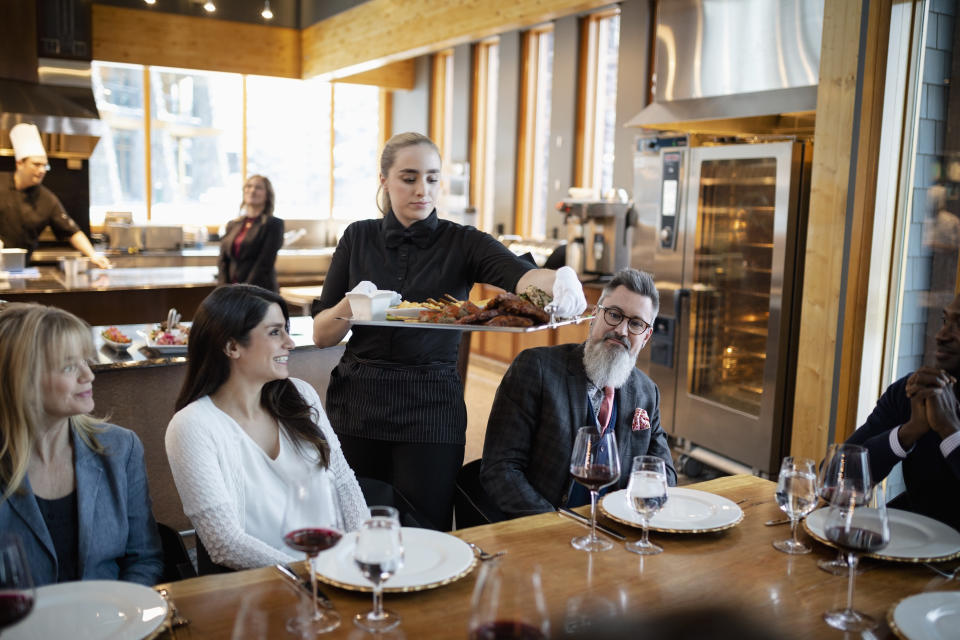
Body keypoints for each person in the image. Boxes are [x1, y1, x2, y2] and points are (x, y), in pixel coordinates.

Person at [311, 132, 584, 531]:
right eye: (409, 177)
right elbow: (322, 336)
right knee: (355, 523)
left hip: (432, 405)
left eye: (433, 178)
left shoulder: (463, 242)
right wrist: (352, 304)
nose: (423, 190)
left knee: (427, 527)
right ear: (384, 180)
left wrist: (558, 281)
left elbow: (520, 276)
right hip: (358, 401)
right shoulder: (357, 237)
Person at [166, 284, 366, 570]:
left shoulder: (301, 395)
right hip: (262, 587)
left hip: (336, 569)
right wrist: (310, 577)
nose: (290, 342)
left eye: (286, 329)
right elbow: (225, 543)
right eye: (275, 332)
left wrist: (362, 550)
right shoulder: (192, 426)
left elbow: (344, 481)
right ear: (232, 346)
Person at [480, 268, 677, 519]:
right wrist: (556, 526)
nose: (622, 330)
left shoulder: (647, 392)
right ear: (595, 316)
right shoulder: (535, 369)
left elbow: (665, 476)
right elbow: (500, 470)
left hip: (616, 533)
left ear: (646, 336)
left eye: (636, 323)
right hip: (546, 532)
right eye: (614, 315)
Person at [0, 303, 162, 586]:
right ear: (22, 381)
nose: (89, 376)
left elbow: (145, 560)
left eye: (86, 361)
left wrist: (121, 620)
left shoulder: (121, 448)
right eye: (69, 366)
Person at [845, 292, 960, 532]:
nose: (941, 336)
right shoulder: (913, 392)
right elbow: (837, 477)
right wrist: (908, 432)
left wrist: (950, 431)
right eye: (945, 321)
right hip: (911, 545)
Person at [0, 123, 111, 268]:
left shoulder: (47, 199)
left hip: (18, 268)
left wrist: (93, 255)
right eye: (36, 164)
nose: (41, 170)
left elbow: (72, 231)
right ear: (20, 163)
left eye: (44, 165)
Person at [217, 174, 284, 292]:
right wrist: (223, 290)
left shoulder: (274, 224)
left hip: (259, 292)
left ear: (267, 195)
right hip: (231, 291)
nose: (252, 190)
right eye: (249, 186)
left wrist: (245, 291)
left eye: (258, 187)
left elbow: (264, 264)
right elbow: (223, 260)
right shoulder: (232, 224)